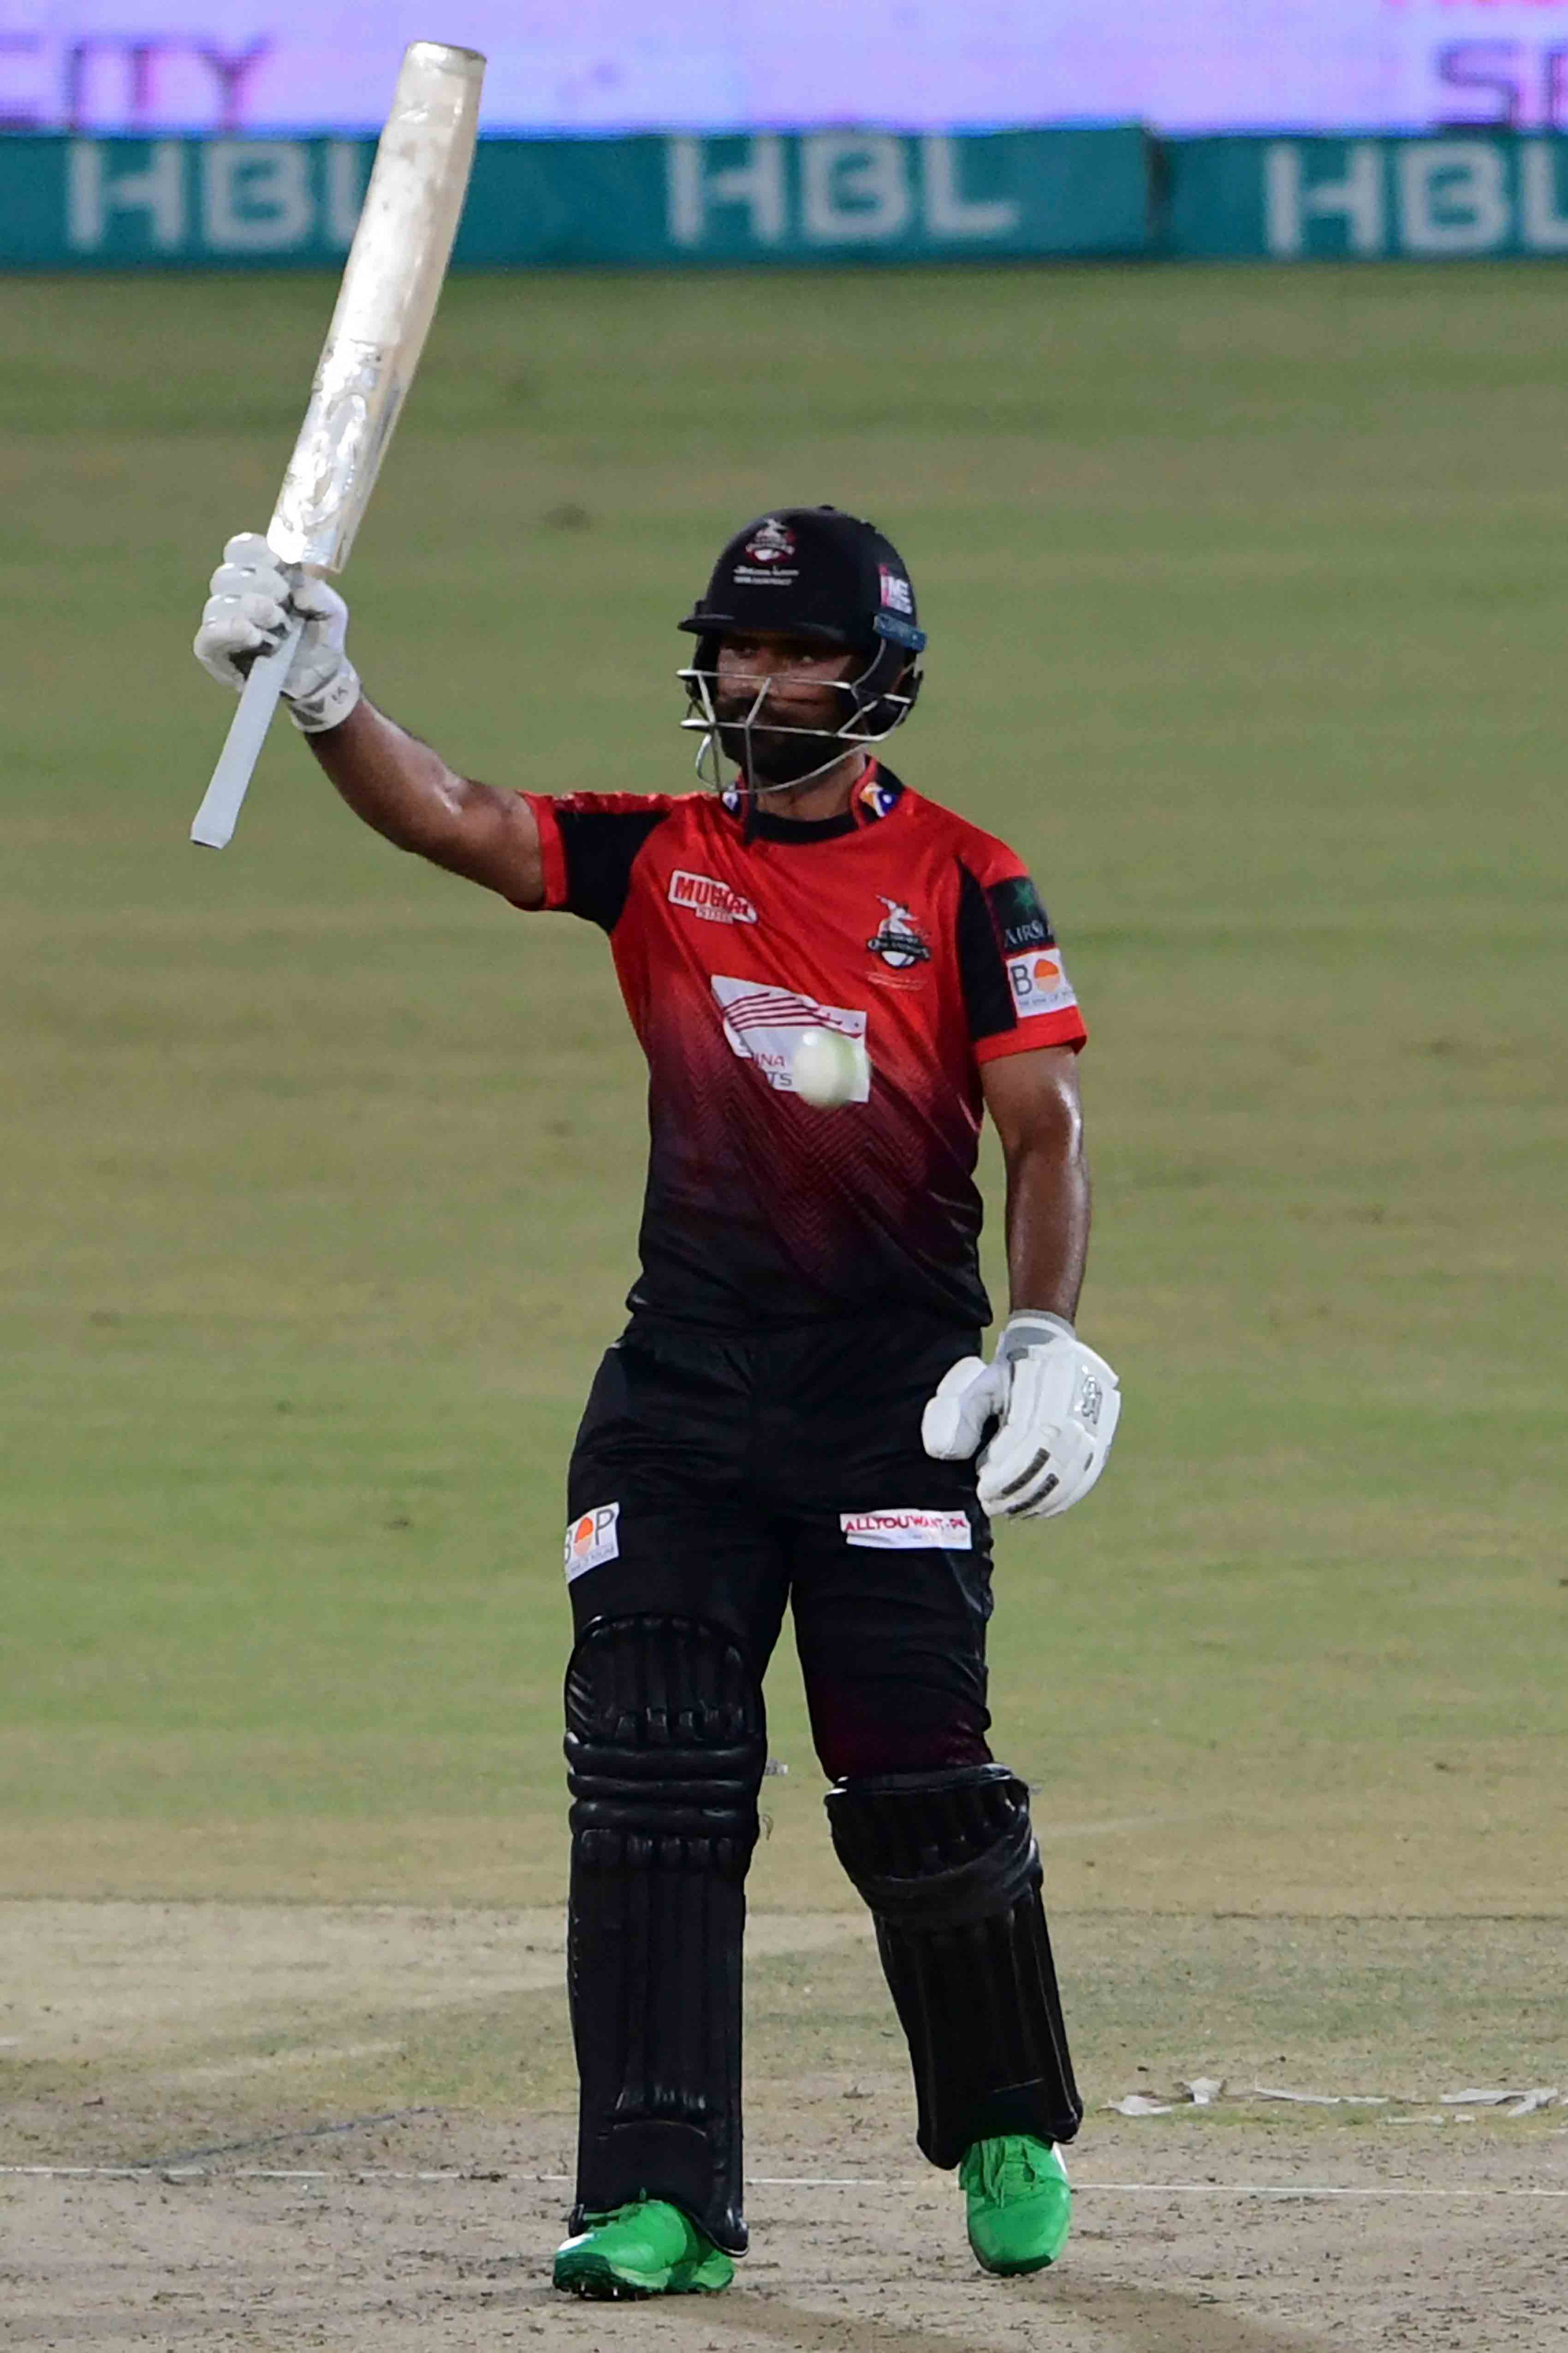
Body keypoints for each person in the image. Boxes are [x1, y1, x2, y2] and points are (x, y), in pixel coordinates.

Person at [194, 505, 1122, 2300]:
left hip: (893, 1405)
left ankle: (1005, 2115)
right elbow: (455, 817)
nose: (758, 682)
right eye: (739, 650)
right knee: (651, 1793)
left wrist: (1042, 1339)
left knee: (917, 1791)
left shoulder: (962, 879)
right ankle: (661, 2196)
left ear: (881, 679)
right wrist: (325, 695)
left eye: (799, 656)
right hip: (679, 1399)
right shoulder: (662, 854)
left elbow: (1046, 1126)